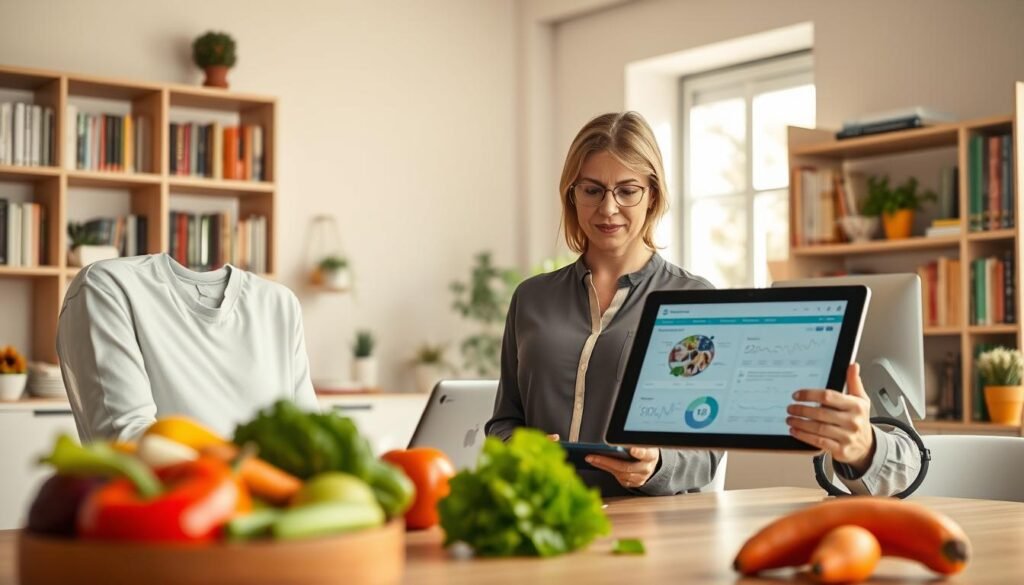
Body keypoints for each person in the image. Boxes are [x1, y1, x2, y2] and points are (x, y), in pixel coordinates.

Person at [486, 111, 921, 497]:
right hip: (537, 512)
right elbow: (503, 422)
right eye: (592, 190)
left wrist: (656, 465)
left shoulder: (691, 300)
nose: (608, 208)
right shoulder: (532, 298)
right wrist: (520, 451)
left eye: (627, 190)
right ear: (571, 195)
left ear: (652, 195)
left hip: (644, 524)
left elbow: (705, 449)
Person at [57, 253, 319, 442]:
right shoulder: (107, 286)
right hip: (165, 512)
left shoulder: (280, 304)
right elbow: (130, 441)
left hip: (275, 509)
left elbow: (310, 434)